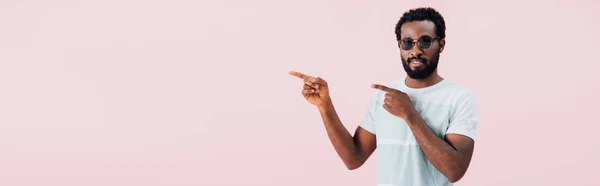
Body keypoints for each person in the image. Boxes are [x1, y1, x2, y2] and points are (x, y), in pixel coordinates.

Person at [289, 7, 480, 186]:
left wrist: (409, 114)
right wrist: (325, 106)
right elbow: (353, 158)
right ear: (399, 46)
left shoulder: (459, 97)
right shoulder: (384, 96)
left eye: (425, 41)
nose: (415, 51)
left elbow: (454, 170)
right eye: (407, 43)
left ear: (441, 45)